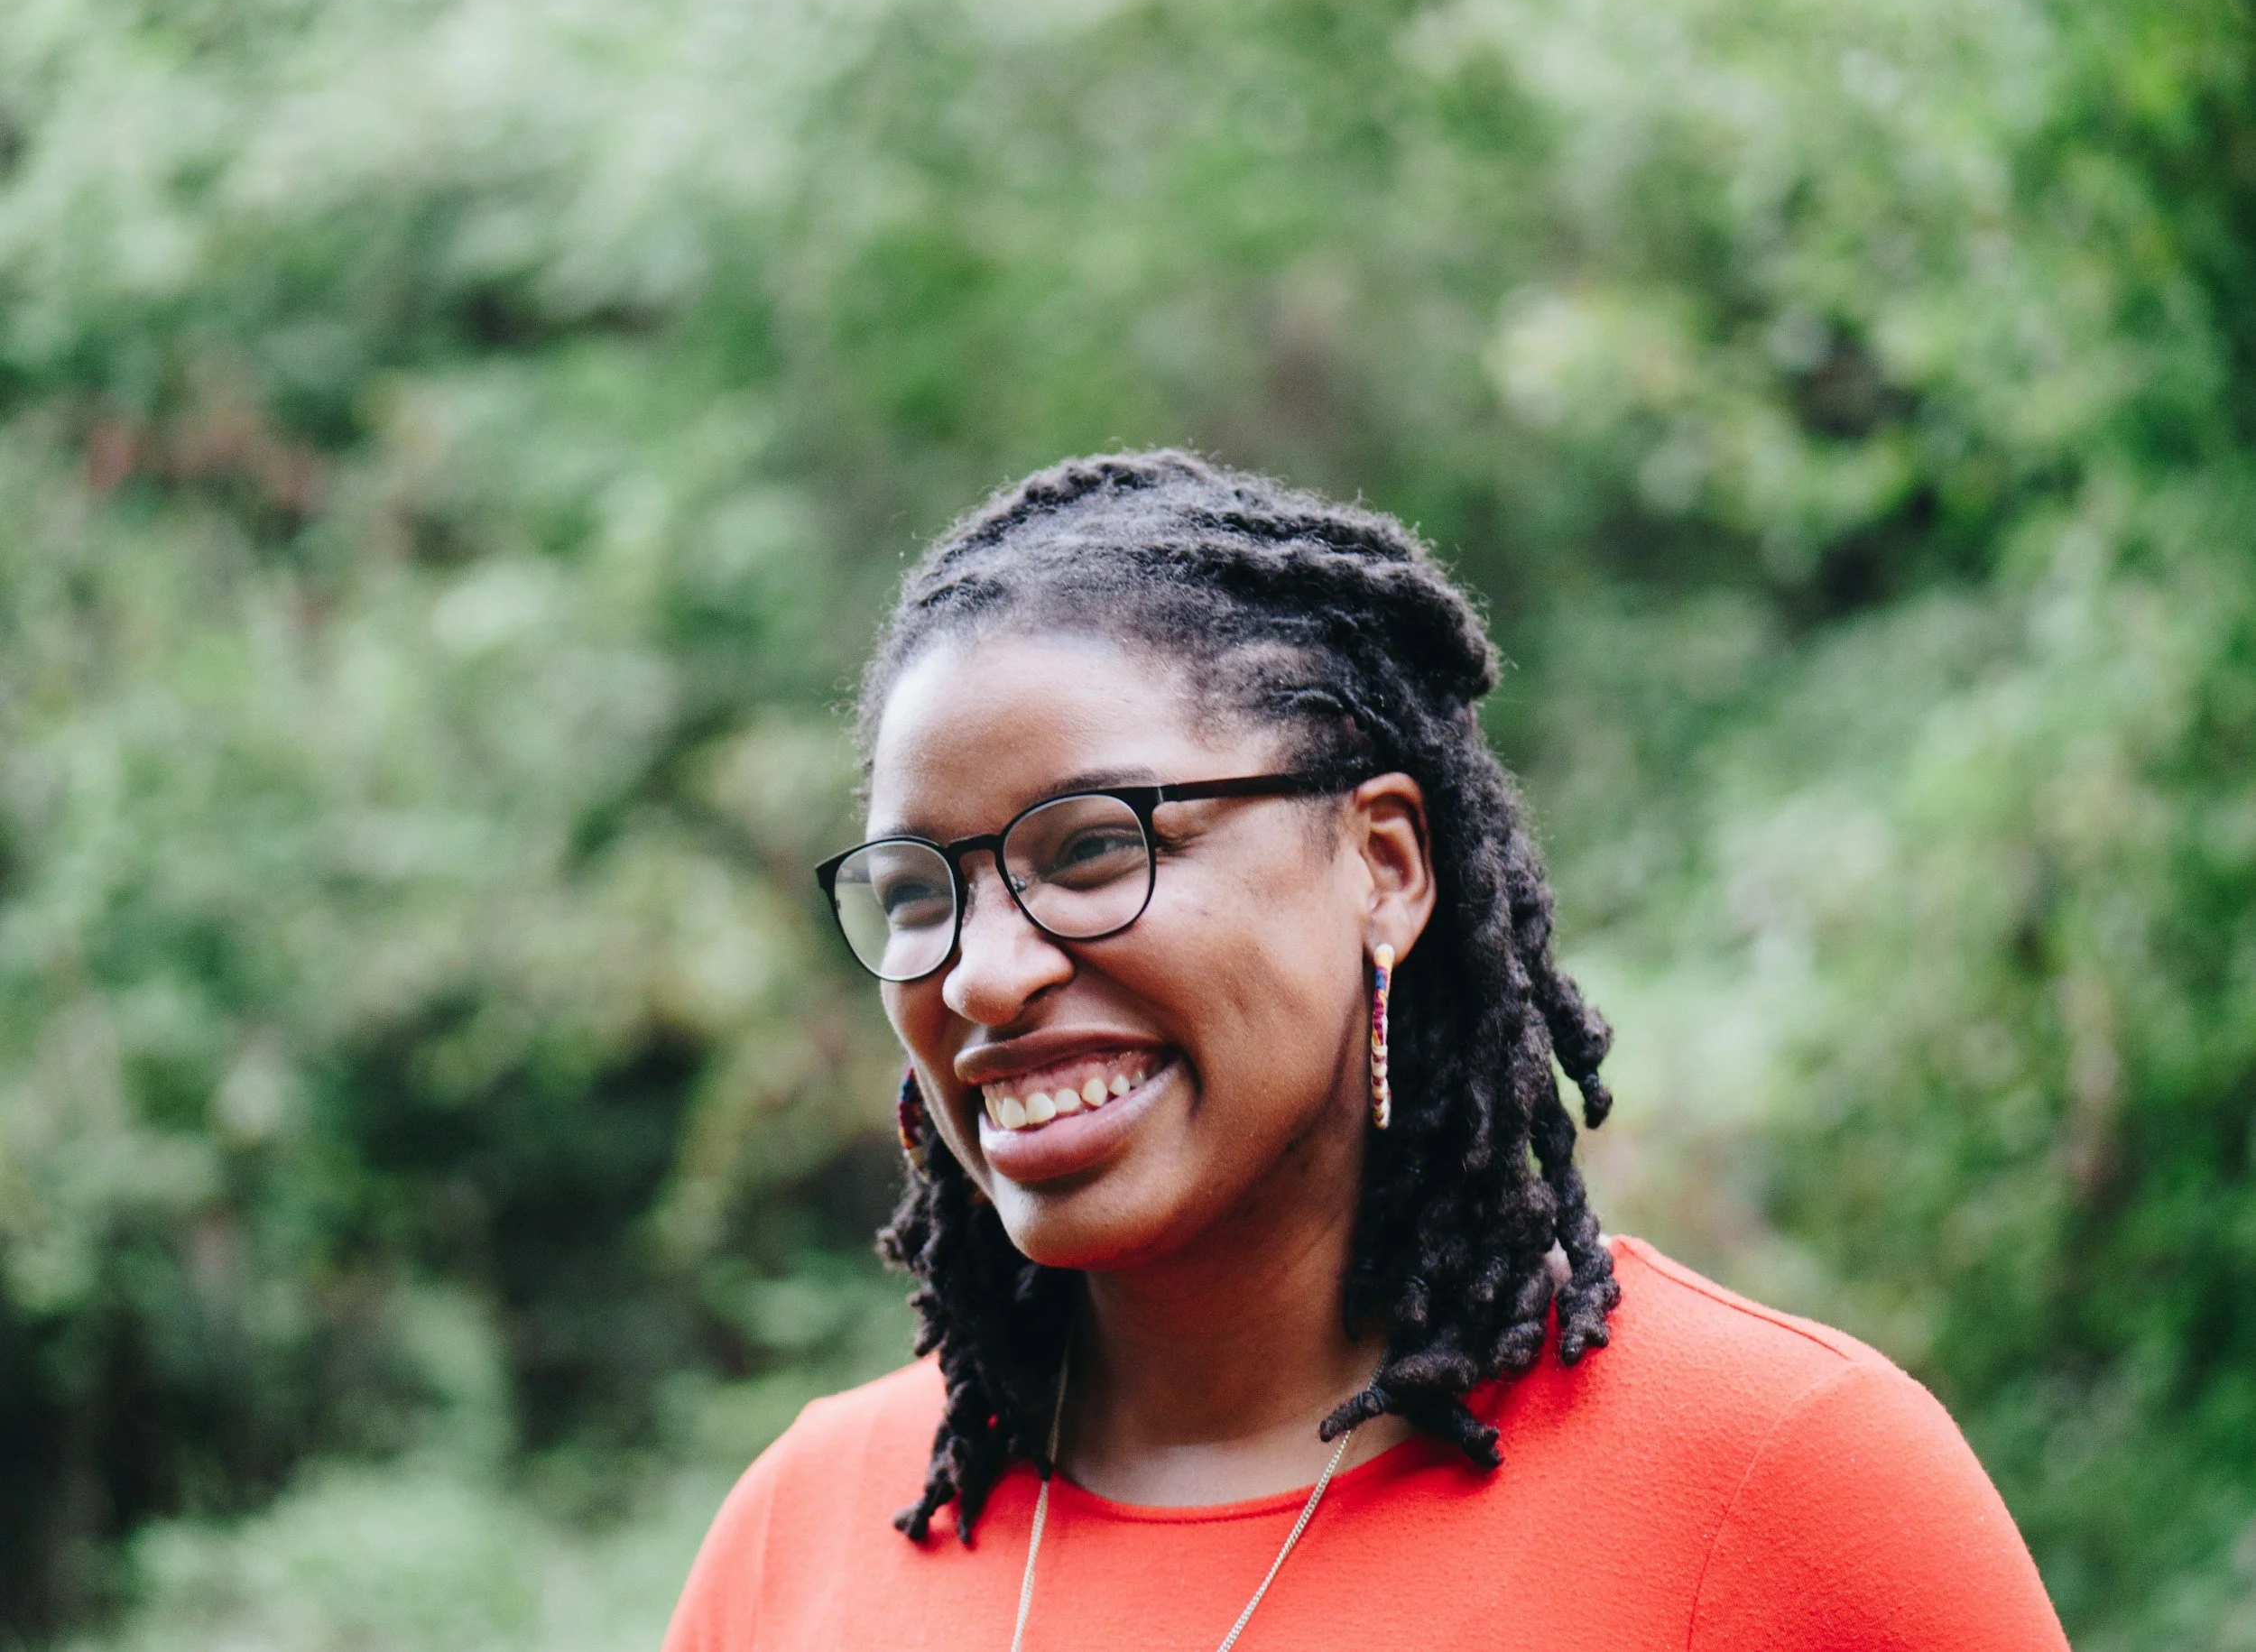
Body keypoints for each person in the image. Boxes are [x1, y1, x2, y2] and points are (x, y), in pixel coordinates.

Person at [663, 451, 2069, 1651]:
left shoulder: (1783, 1483)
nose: (987, 971)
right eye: (922, 893)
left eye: (1093, 852)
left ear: (1382, 864)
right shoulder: (803, 1538)